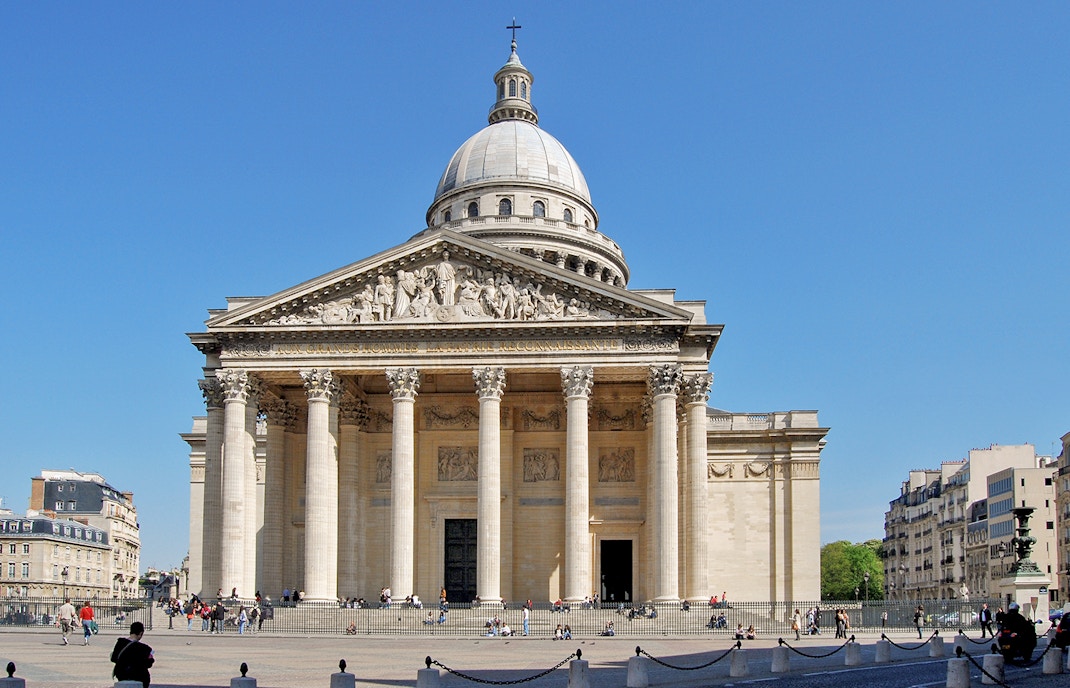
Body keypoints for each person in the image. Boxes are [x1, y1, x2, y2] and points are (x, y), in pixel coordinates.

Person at [110, 621, 154, 687]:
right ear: (141, 633)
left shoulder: (120, 643)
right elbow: (148, 664)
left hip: (122, 675)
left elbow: (114, 658)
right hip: (139, 678)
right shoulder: (144, 648)